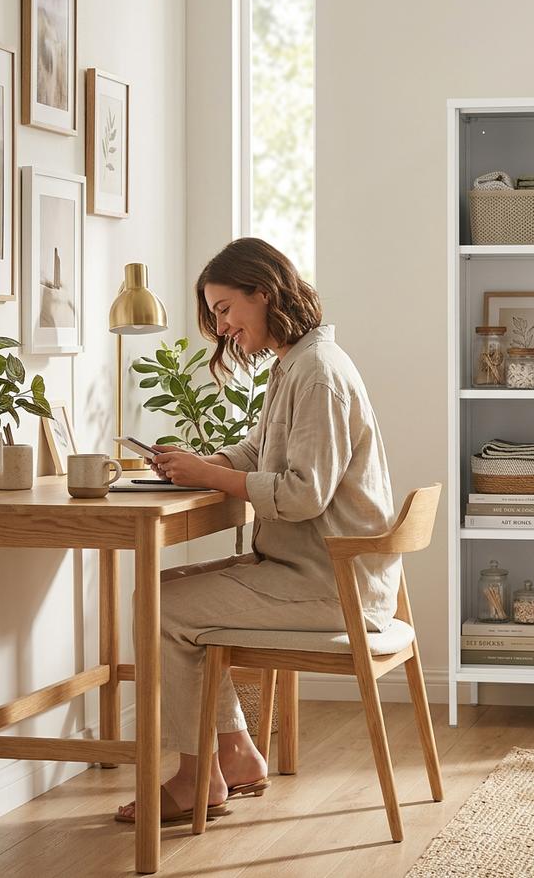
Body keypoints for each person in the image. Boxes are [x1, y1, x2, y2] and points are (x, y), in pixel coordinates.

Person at [116, 237, 399, 823]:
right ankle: (237, 754)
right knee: (165, 595)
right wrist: (206, 463)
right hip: (322, 572)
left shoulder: (316, 374)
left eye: (224, 309)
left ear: (262, 293)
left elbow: (301, 493)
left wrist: (207, 475)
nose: (220, 327)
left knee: (160, 603)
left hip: (330, 585)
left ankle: (200, 777)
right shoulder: (299, 362)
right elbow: (262, 450)